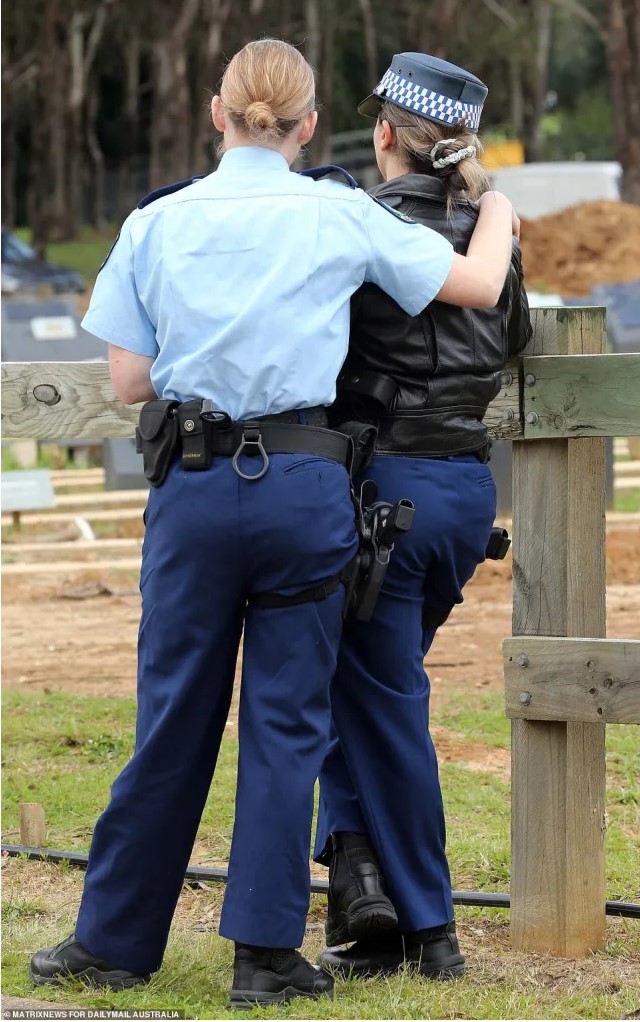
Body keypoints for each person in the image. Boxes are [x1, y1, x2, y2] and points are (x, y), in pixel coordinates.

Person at [29, 40, 517, 1009]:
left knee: (171, 714)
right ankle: (264, 954)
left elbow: (130, 380)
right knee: (287, 722)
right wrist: (494, 205)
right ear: (304, 127)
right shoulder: (336, 211)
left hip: (196, 488)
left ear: (217, 113)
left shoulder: (156, 220)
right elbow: (473, 286)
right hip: (304, 485)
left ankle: (116, 941)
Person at [314, 52, 532, 980]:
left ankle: (427, 925)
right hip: (462, 493)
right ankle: (371, 894)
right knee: (360, 686)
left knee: (379, 699)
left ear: (386, 135)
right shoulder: (493, 236)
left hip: (380, 495)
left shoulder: (367, 229)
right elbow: (513, 337)